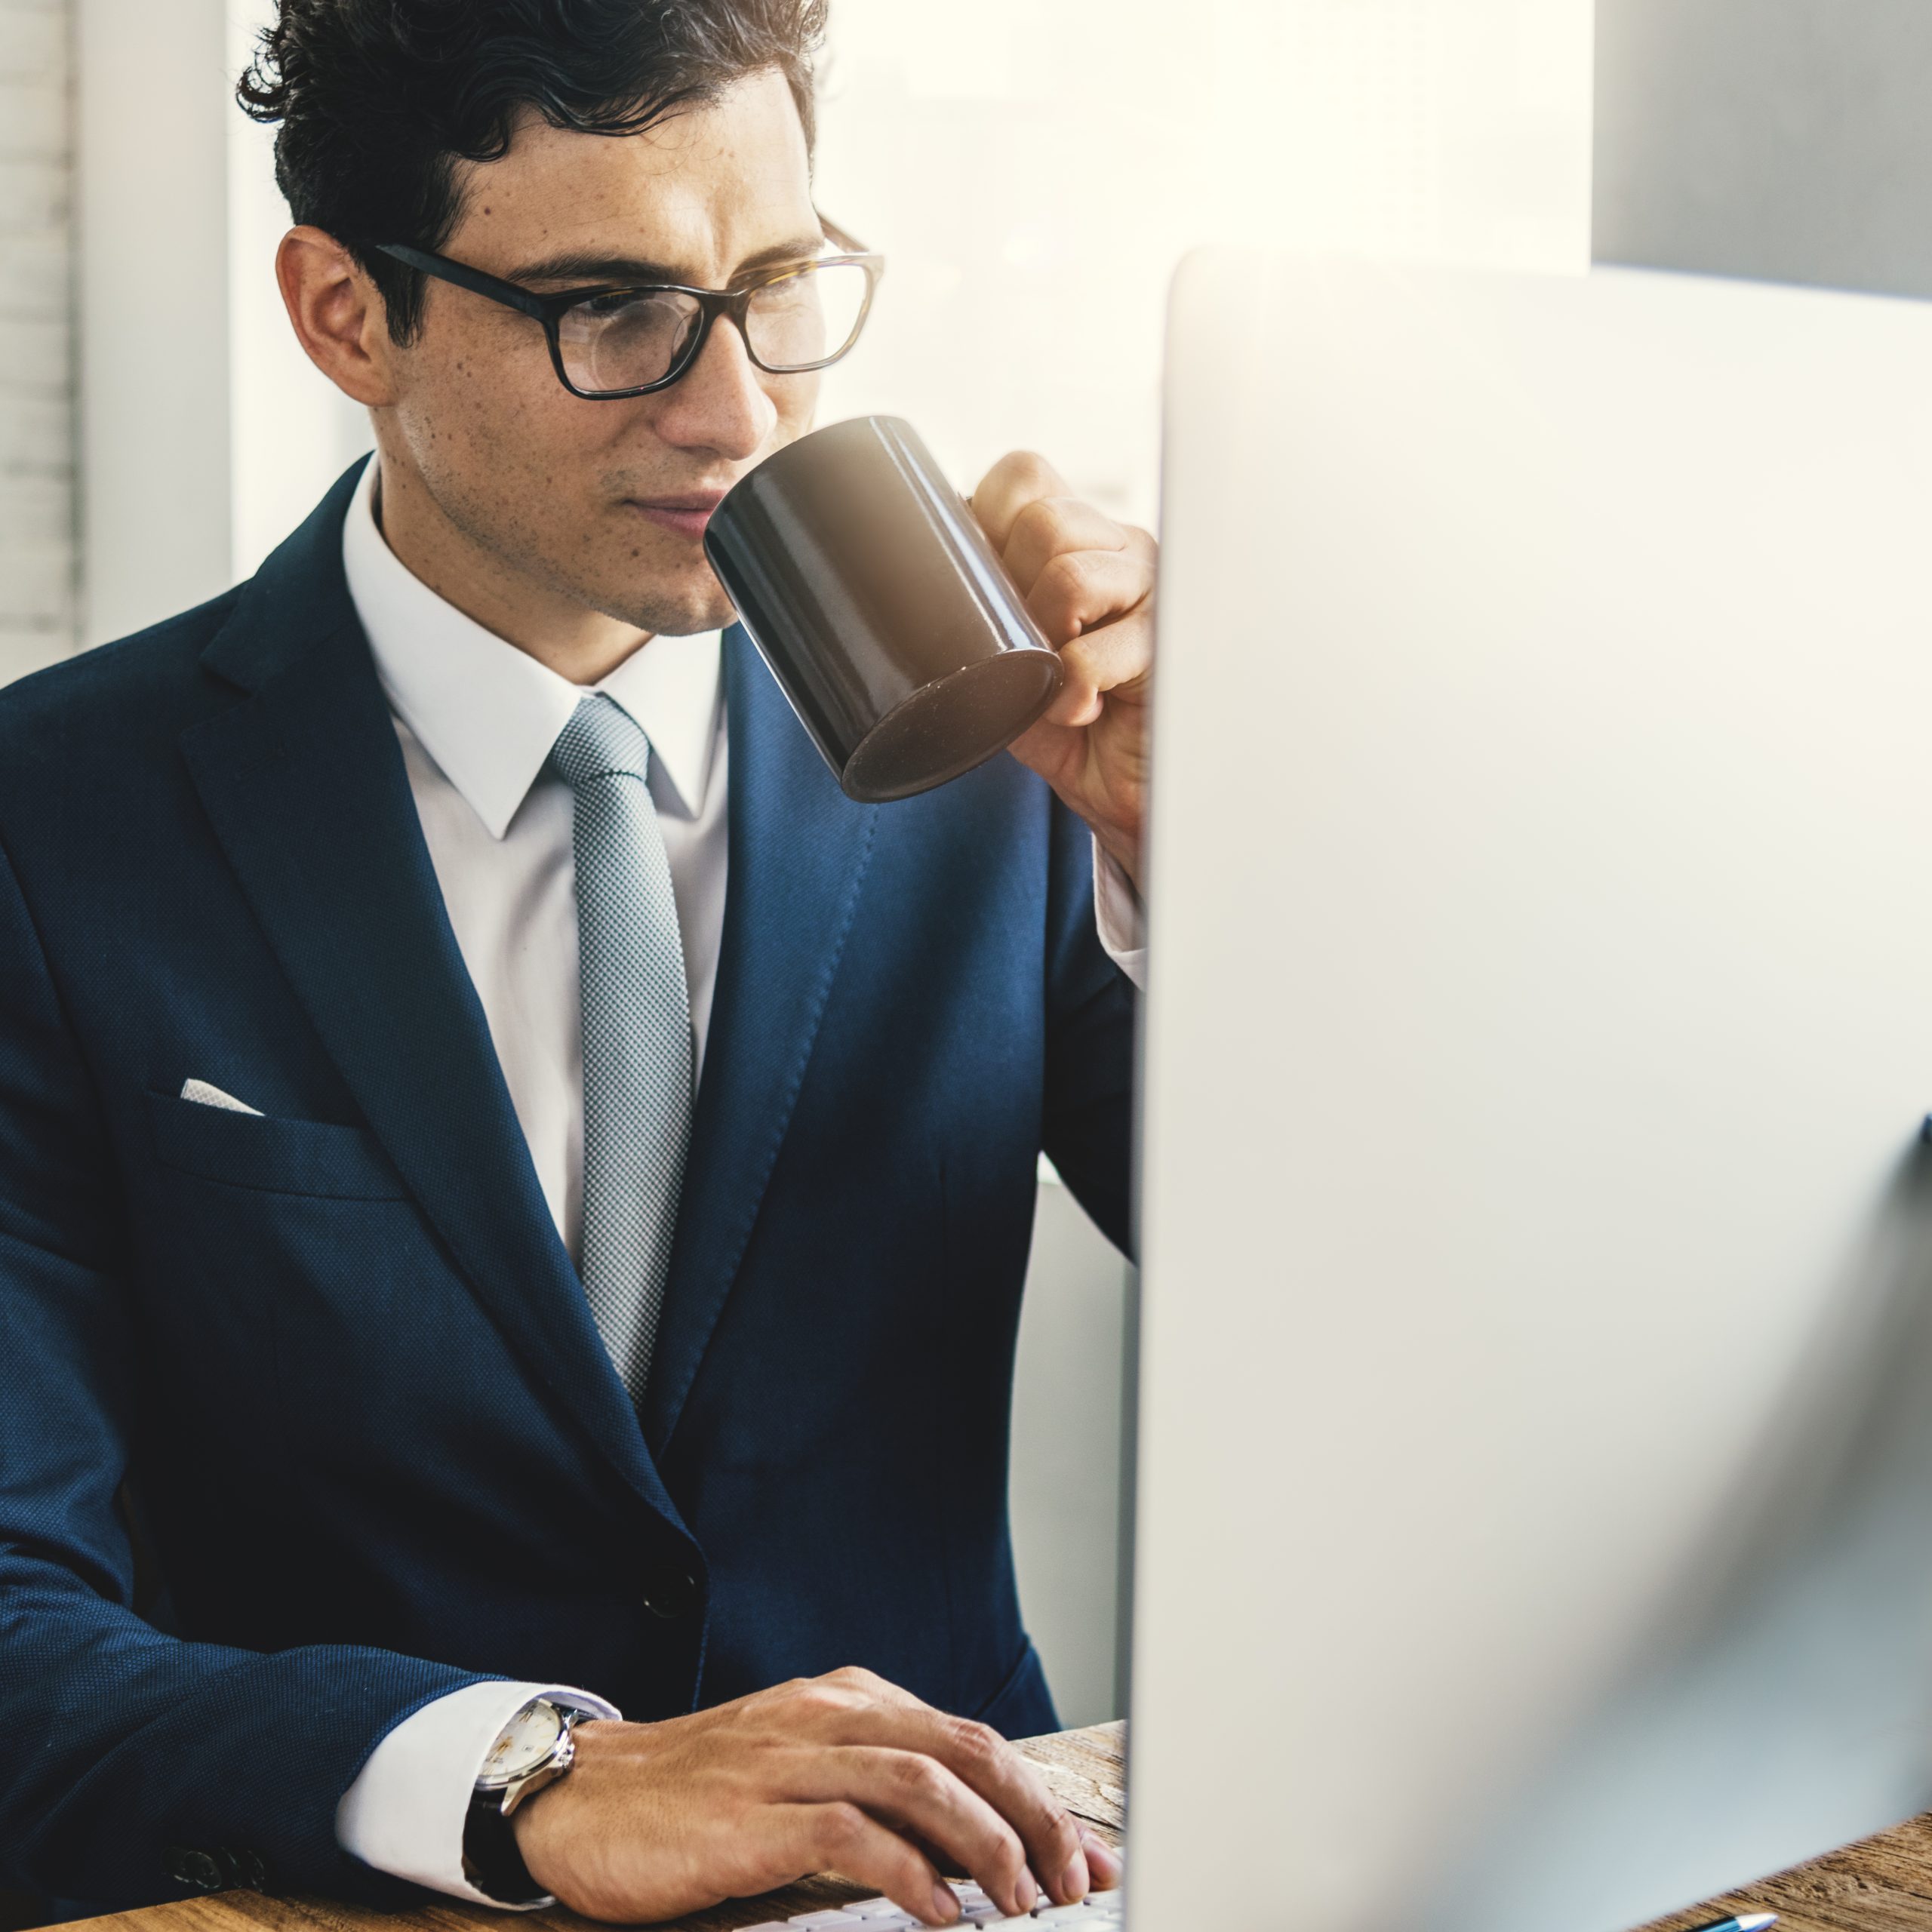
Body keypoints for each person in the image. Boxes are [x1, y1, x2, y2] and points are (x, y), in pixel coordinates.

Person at [0, 2, 1152, 1924]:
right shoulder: (55, 825)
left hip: (970, 1896)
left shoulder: (998, 755)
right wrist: (532, 1772)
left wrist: (1171, 838)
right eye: (611, 310)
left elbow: (1367, 1323)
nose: (735, 415)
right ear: (344, 312)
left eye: (776, 285)